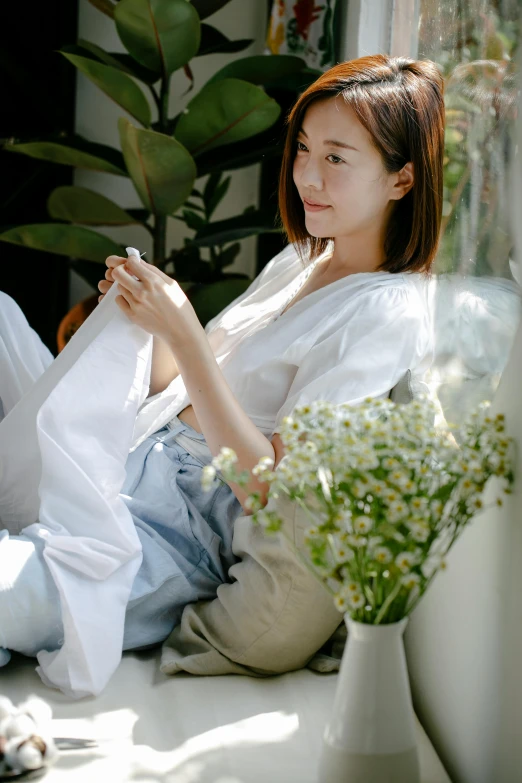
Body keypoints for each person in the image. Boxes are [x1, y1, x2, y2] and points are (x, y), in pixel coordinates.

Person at [0, 54, 443, 683]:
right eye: (304, 149)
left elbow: (271, 490)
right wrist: (141, 318)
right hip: (124, 452)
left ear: (401, 179)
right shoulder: (302, 260)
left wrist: (183, 329)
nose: (306, 177)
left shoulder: (386, 312)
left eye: (337, 159)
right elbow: (181, 389)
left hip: (163, 530)